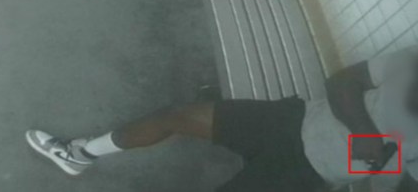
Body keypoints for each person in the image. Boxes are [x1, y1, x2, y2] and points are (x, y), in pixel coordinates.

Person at [26, 46, 418, 191]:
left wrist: (376, 171)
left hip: (304, 174)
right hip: (291, 119)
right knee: (176, 117)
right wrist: (363, 132)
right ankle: (80, 155)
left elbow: (398, 173)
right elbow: (343, 81)